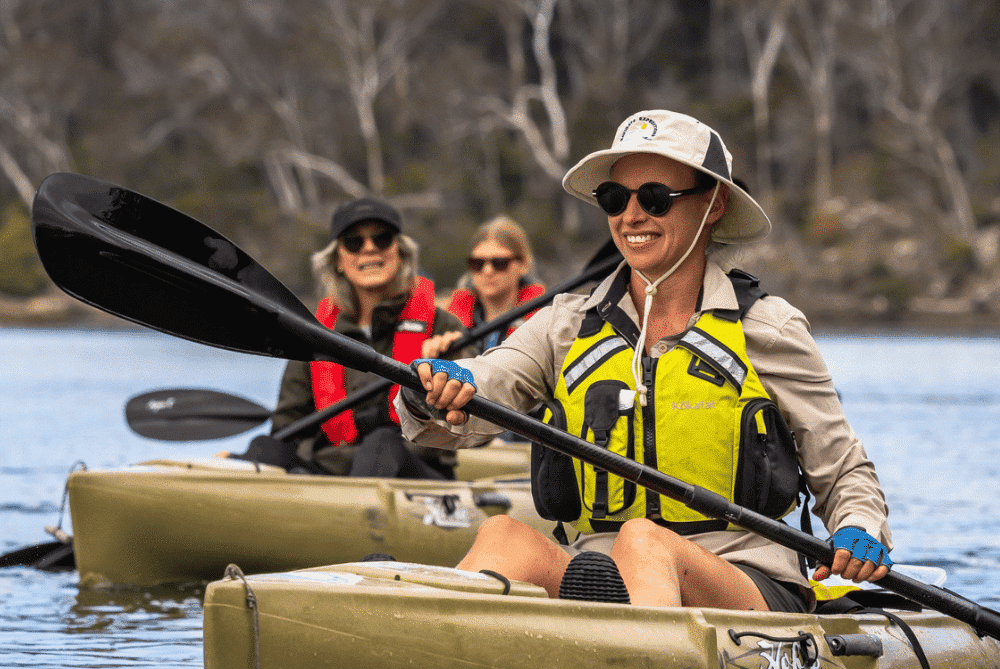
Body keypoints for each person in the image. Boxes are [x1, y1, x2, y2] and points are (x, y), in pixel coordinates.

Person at [396, 109, 892, 610]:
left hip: (744, 580)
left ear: (713, 204)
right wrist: (432, 389)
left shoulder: (767, 329)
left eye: (654, 198)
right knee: (503, 535)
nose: (631, 216)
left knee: (645, 541)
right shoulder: (564, 324)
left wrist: (858, 527)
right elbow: (484, 383)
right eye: (615, 199)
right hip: (599, 569)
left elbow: (844, 469)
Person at [242, 197, 473, 478]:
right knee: (265, 447)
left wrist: (447, 365)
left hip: (419, 474)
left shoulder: (443, 326)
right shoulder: (314, 334)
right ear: (338, 260)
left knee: (381, 444)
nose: (369, 249)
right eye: (353, 242)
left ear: (400, 253)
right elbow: (287, 426)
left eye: (382, 239)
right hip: (335, 468)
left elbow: (467, 422)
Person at [424, 215, 545, 359]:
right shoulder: (443, 320)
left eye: (499, 263)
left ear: (524, 264)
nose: (487, 271)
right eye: (478, 263)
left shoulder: (546, 319)